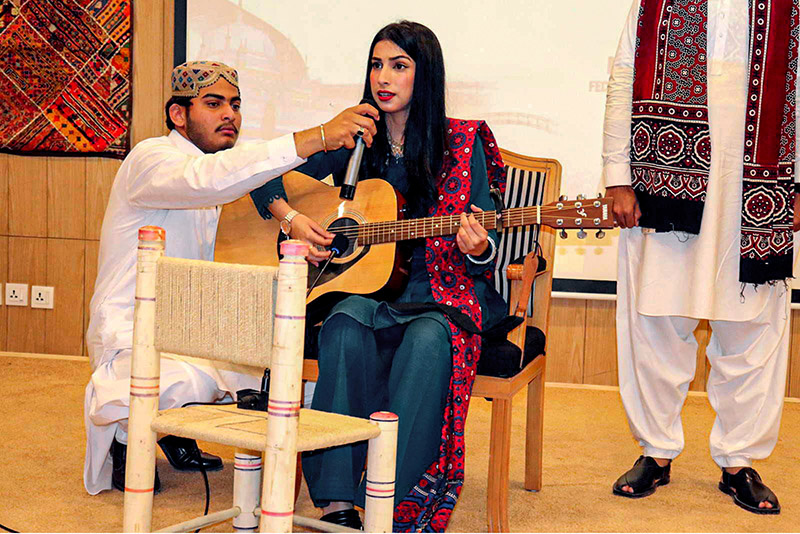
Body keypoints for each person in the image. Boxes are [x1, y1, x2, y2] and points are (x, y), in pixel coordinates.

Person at [250, 21, 507, 531]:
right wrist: (293, 219)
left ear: (424, 75)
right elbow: (262, 181)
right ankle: (338, 500)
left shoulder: (462, 139)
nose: (383, 78)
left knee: (429, 341)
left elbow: (488, 237)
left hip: (439, 291)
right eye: (376, 64)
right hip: (366, 289)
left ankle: (393, 494)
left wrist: (476, 247)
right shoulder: (354, 135)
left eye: (399, 66)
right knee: (344, 325)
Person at [83, 60, 379, 495]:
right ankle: (130, 440)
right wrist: (316, 137)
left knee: (312, 383)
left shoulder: (228, 170)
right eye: (214, 103)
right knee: (172, 384)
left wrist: (294, 223)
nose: (230, 115)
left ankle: (173, 427)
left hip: (202, 328)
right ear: (178, 115)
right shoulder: (150, 160)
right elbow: (208, 181)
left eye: (235, 105)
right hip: (136, 331)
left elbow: (247, 183)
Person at [602, 0, 799, 515]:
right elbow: (624, 76)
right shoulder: (653, 3)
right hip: (665, 171)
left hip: (757, 175)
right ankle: (656, 451)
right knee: (657, 319)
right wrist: (617, 175)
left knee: (751, 324)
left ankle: (739, 463)